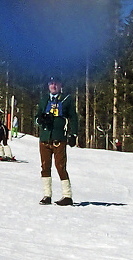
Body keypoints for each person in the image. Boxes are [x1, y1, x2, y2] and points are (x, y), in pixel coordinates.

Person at [35, 77, 78, 206]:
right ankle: (47, 195)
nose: (53, 86)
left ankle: (67, 196)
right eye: (51, 83)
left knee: (60, 166)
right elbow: (36, 117)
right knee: (45, 167)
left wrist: (74, 134)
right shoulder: (44, 100)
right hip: (45, 138)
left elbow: (73, 118)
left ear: (60, 85)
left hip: (59, 138)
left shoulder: (66, 100)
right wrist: (40, 120)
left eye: (55, 84)